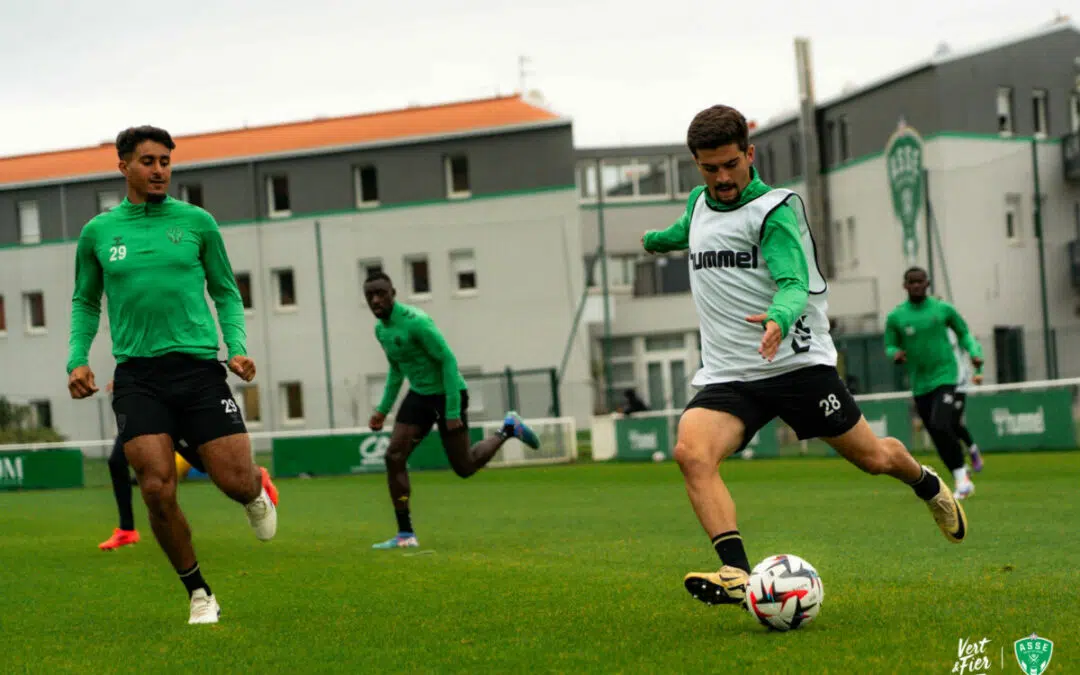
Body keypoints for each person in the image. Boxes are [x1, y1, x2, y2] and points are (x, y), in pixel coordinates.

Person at [639, 104, 967, 613]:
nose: (722, 178)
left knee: (874, 459)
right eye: (710, 168)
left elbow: (792, 281)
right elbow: (688, 229)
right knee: (691, 453)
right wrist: (655, 242)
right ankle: (735, 572)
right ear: (696, 165)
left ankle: (927, 484)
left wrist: (778, 317)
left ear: (749, 154)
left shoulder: (774, 212)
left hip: (797, 365)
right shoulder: (700, 202)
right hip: (732, 375)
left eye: (730, 164)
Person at [67, 125, 279, 625]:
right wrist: (77, 359)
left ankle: (254, 490)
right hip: (139, 375)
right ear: (124, 167)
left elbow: (226, 292)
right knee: (157, 488)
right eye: (148, 161)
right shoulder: (98, 233)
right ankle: (199, 593)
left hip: (200, 371)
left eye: (165, 160)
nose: (159, 169)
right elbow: (84, 301)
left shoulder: (198, 223)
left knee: (231, 481)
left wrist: (238, 349)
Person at [362, 271, 541, 549]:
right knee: (394, 456)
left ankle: (508, 429)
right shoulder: (381, 330)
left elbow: (447, 360)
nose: (375, 300)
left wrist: (453, 410)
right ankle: (405, 534)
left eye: (381, 293)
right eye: (370, 295)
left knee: (465, 466)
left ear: (393, 293)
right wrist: (382, 410)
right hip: (419, 396)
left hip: (448, 394)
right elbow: (397, 370)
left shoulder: (417, 322)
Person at [885, 269, 984, 499]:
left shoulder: (942, 309)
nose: (917, 286)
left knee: (942, 424)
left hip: (946, 376)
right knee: (936, 433)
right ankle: (961, 472)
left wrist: (974, 352)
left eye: (920, 282)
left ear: (927, 283)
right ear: (905, 285)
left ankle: (962, 480)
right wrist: (895, 353)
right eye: (912, 282)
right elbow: (889, 345)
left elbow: (964, 333)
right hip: (920, 383)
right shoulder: (896, 317)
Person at [98, 383, 207, 551]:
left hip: (164, 403)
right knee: (116, 461)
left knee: (203, 464)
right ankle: (127, 530)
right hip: (138, 407)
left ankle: (254, 475)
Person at [949, 330, 985, 474]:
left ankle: (972, 452)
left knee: (954, 422)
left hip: (959, 384)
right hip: (939, 383)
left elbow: (975, 347)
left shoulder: (955, 331)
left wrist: (978, 372)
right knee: (943, 425)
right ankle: (961, 464)